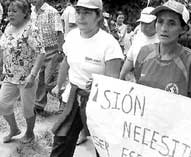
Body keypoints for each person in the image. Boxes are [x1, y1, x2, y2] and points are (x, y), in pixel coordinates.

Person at [50, 0, 124, 156]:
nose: (81, 17)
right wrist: (59, 85)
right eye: (78, 12)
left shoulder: (109, 44)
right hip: (72, 96)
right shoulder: (72, 36)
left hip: (99, 102)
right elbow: (66, 62)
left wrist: (100, 84)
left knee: (102, 145)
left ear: (98, 16)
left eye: (87, 13)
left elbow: (113, 81)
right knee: (62, 140)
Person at [120, 0, 191, 100]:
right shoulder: (144, 52)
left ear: (183, 29)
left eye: (172, 23)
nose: (163, 28)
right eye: (160, 21)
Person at [0, 0, 45, 143]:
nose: (10, 13)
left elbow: (41, 53)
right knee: (2, 103)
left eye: (14, 11)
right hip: (9, 75)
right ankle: (14, 129)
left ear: (25, 13)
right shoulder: (8, 27)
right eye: (9, 11)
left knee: (27, 108)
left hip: (27, 78)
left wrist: (32, 75)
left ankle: (30, 133)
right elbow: (3, 49)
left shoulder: (31, 29)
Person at [29, 0, 64, 114]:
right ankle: (39, 106)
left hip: (52, 50)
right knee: (39, 79)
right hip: (38, 51)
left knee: (50, 81)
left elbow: (60, 32)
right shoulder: (32, 12)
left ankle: (65, 103)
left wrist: (60, 50)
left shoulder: (52, 12)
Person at [120, 6, 159, 81]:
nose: (144, 26)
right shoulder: (138, 36)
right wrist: (121, 77)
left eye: (147, 23)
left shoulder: (162, 40)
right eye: (142, 23)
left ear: (156, 22)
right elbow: (130, 59)